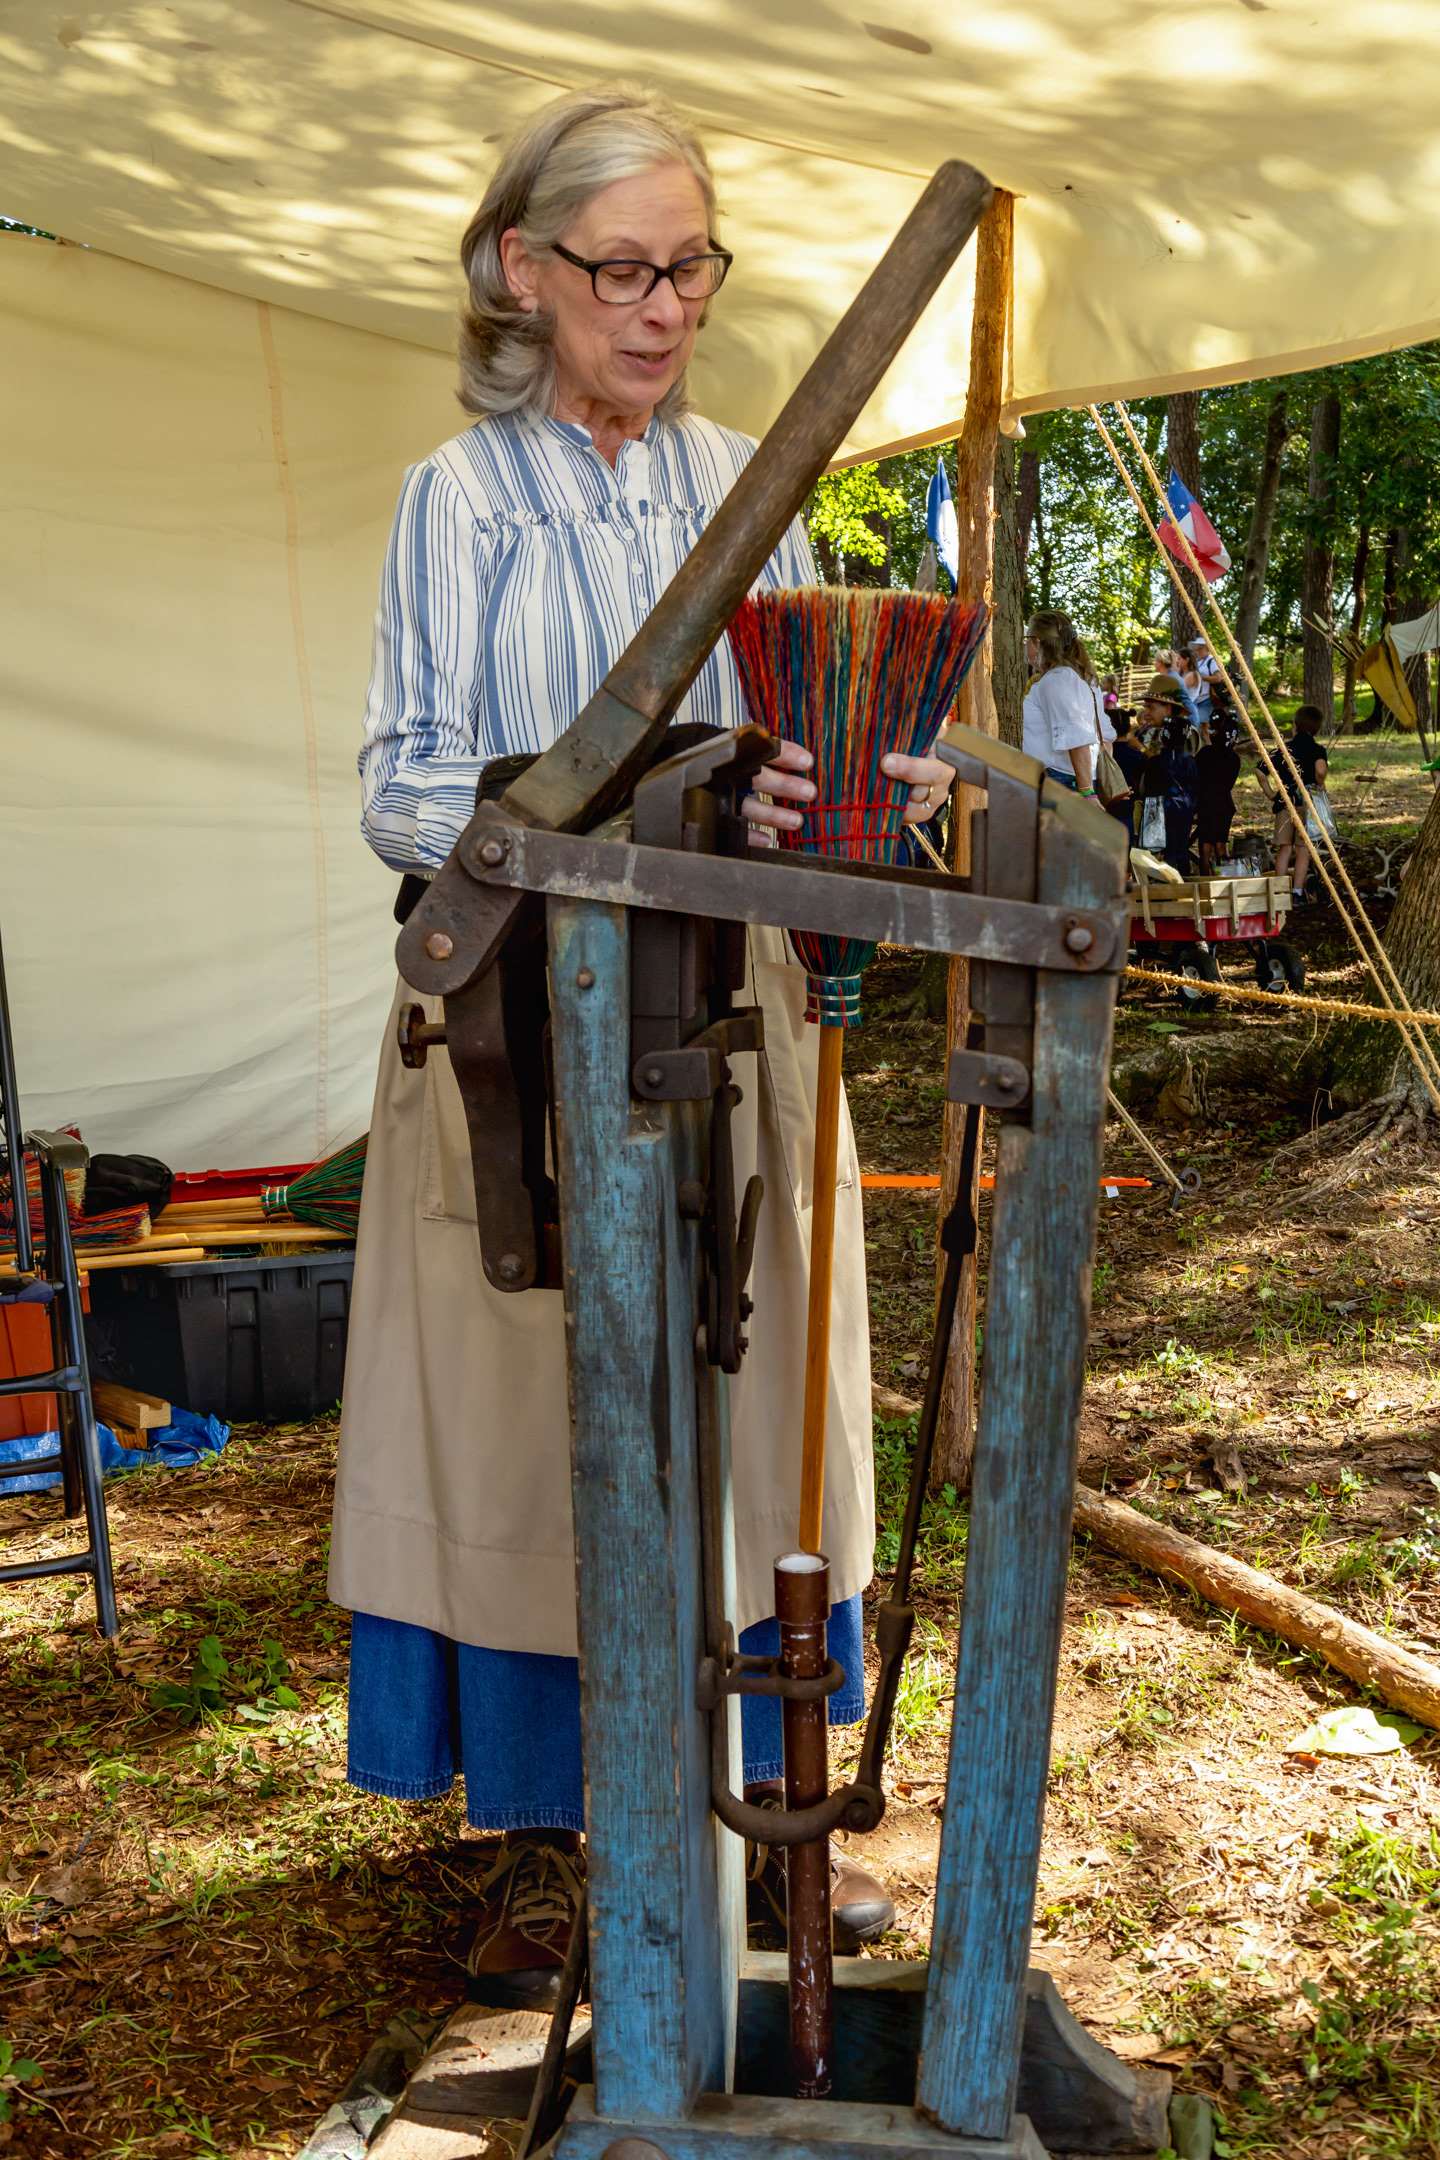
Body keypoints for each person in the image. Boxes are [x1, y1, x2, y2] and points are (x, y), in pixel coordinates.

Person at [329, 83, 950, 1994]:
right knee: (534, 1431)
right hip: (523, 1026)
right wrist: (619, 820)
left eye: (692, 267)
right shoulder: (465, 502)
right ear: (524, 272)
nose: (664, 307)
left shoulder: (745, 487)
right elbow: (404, 786)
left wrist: (843, 788)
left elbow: (803, 753)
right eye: (623, 268)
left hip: (742, 1026)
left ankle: (774, 1821)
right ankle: (558, 1838)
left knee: (766, 1421)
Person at [1022, 610, 1104, 798]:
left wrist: (1087, 793)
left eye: (1027, 640)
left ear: (1037, 643)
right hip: (1061, 779)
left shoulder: (1058, 679)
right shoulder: (1065, 676)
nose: (1025, 645)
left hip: (1058, 782)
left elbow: (1076, 738)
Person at [1133, 674, 1199, 873]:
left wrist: (1143, 754)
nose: (1145, 714)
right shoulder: (1150, 733)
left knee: (1173, 851)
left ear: (1168, 708)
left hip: (1173, 808)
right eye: (1145, 707)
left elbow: (1177, 768)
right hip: (1152, 805)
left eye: (1150, 707)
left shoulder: (1187, 734)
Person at [1267, 702, 1329, 900]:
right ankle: (1297, 892)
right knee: (1303, 849)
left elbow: (1261, 769)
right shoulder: (1317, 750)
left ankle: (1279, 891)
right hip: (1307, 804)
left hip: (1285, 802)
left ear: (1295, 726)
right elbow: (1320, 770)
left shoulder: (1285, 748)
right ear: (1317, 730)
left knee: (1284, 848)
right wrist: (1319, 783)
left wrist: (1270, 792)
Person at [1194, 700, 1242, 870]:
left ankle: (1205, 878)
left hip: (1206, 804)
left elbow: (1196, 778)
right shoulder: (1234, 758)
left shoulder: (1204, 754)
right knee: (1221, 845)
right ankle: (1224, 877)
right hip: (1224, 804)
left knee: (1205, 845)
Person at [1106, 708, 1145, 843]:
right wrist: (1142, 748)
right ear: (1129, 728)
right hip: (1126, 813)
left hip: (1103, 810)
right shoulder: (1138, 756)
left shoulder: (1101, 755)